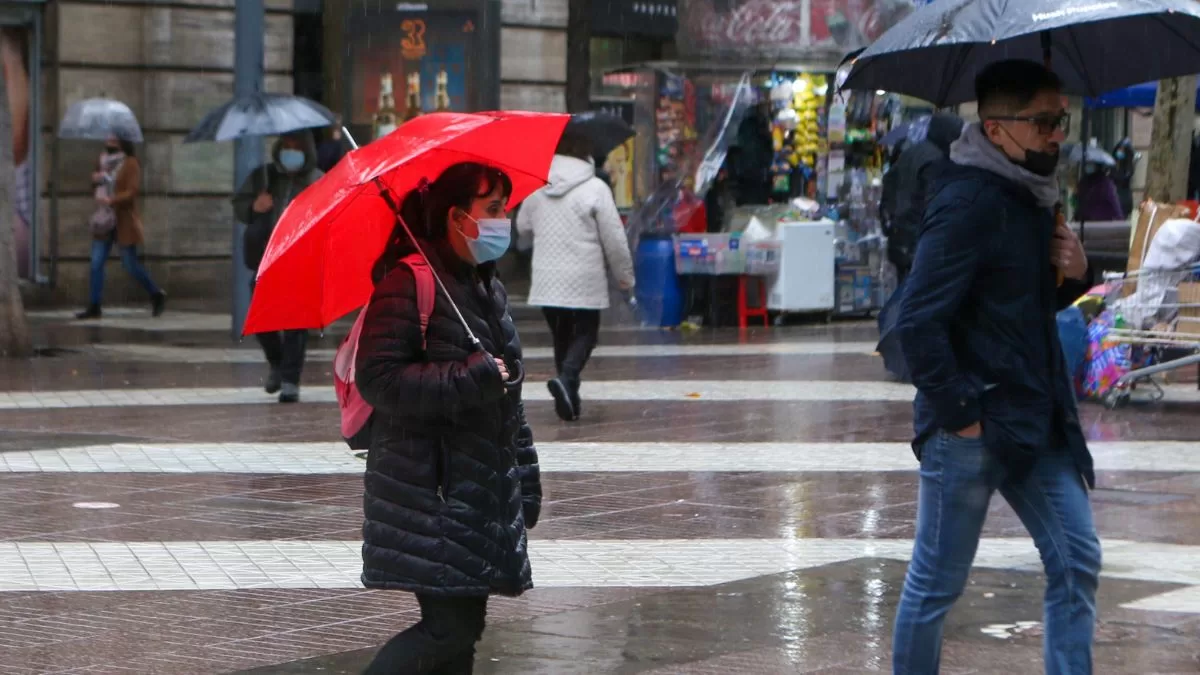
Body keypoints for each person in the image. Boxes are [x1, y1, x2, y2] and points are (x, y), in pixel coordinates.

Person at [891, 60, 1099, 675]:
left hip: (1035, 418)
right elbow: (918, 319)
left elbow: (1019, 307)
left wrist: (1076, 273)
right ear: (997, 127)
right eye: (1043, 122)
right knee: (936, 586)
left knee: (1077, 557)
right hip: (974, 423)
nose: (1057, 134)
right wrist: (961, 416)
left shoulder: (1031, 196)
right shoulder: (967, 200)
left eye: (1060, 120)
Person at [354, 163, 542, 674]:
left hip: (477, 486)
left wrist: (523, 478)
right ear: (459, 218)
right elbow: (381, 380)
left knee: (463, 631)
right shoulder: (408, 282)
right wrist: (469, 377)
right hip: (431, 489)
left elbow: (509, 396)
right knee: (448, 629)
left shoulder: (484, 287)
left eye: (506, 207)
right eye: (495, 209)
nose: (505, 220)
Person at [516, 132, 635, 421]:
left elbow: (522, 227)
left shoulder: (537, 188)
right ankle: (567, 379)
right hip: (585, 278)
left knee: (562, 335)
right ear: (587, 154)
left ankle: (569, 395)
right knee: (586, 334)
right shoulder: (596, 188)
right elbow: (614, 239)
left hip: (547, 278)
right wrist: (625, 278)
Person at [232, 130, 322, 403]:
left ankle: (290, 380)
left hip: (301, 259)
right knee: (261, 315)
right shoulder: (265, 176)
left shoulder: (317, 179)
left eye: (297, 145)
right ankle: (277, 362)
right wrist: (255, 206)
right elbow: (240, 205)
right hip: (267, 258)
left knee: (297, 322)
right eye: (287, 145)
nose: (291, 150)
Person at [77, 137, 167, 320]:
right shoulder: (102, 159)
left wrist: (112, 199)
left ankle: (156, 293)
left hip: (123, 219)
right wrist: (94, 181)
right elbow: (95, 187)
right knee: (96, 263)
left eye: (113, 137)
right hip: (104, 219)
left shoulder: (131, 163)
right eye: (107, 137)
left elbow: (132, 191)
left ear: (121, 140)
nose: (108, 140)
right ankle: (94, 306)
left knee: (130, 264)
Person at [880, 112, 965, 282]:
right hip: (919, 241)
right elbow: (929, 202)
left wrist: (888, 222)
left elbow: (888, 183)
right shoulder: (937, 161)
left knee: (903, 293)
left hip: (899, 235)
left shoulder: (911, 151)